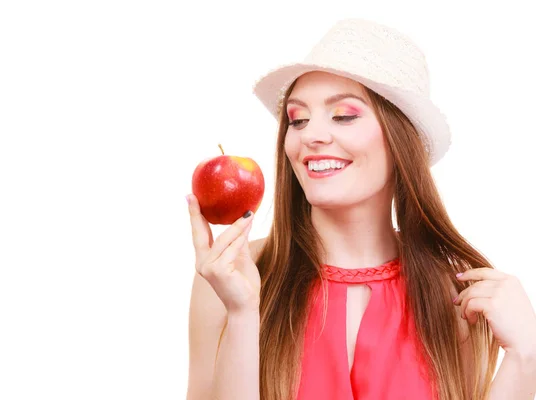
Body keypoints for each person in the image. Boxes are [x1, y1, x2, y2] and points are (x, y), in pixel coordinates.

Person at [185, 18, 536, 400]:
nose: (311, 135)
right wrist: (242, 314)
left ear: (402, 139)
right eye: (297, 120)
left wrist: (526, 358)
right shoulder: (233, 274)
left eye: (344, 115)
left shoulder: (455, 292)